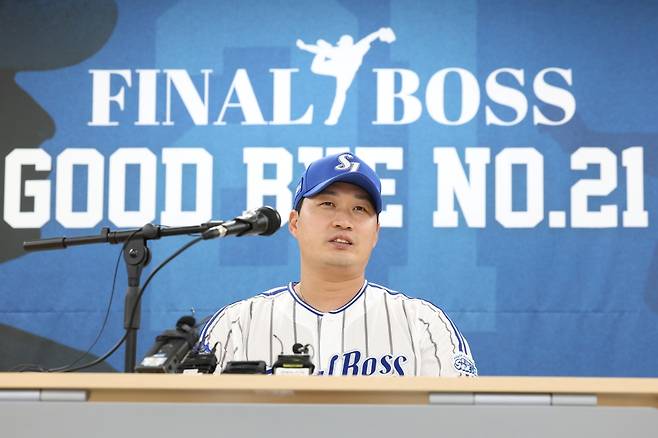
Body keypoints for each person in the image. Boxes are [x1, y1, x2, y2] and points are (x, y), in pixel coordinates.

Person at [199, 152, 477, 376]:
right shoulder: (238, 324)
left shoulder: (423, 325)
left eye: (360, 209)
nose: (343, 221)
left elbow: (463, 418)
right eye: (328, 204)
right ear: (295, 223)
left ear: (376, 232)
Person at [296, 28, 396, 125]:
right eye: (343, 43)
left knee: (340, 93)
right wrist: (304, 46)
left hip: (346, 72)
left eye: (346, 43)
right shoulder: (338, 50)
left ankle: (333, 118)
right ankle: (333, 119)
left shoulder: (356, 48)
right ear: (341, 44)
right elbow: (316, 50)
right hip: (337, 66)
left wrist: (379, 32)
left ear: (350, 43)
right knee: (317, 66)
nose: (344, 44)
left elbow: (368, 38)